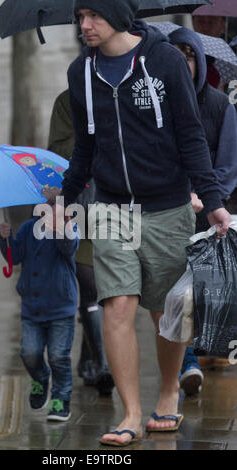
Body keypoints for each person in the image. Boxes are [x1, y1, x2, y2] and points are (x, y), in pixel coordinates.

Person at [52, 0, 233, 446]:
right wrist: (64, 198)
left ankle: (168, 392)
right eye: (80, 17)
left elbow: (191, 135)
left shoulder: (165, 61)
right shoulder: (82, 73)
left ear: (116, 16)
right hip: (111, 208)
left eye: (92, 16)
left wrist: (212, 202)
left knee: (165, 311)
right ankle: (130, 414)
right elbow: (85, 149)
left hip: (167, 206)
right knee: (117, 304)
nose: (84, 25)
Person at [169, 28, 237, 388]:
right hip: (166, 207)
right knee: (173, 289)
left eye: (189, 54)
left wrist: (209, 199)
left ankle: (202, 353)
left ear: (199, 60)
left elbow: (227, 164)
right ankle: (187, 364)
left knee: (199, 289)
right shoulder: (158, 106)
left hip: (207, 210)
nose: (182, 60)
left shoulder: (218, 105)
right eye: (175, 53)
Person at [48, 89, 114, 396]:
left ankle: (90, 356)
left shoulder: (127, 93)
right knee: (88, 282)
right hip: (82, 202)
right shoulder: (67, 101)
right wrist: (93, 134)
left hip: (122, 201)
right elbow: (58, 149)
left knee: (111, 286)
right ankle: (103, 365)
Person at [0, 209, 79, 421]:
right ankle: (41, 377)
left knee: (58, 356)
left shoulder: (67, 228)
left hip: (61, 306)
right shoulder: (26, 229)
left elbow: (69, 248)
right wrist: (5, 239)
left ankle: (60, 399)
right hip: (32, 306)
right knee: (29, 353)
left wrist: (63, 228)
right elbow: (14, 257)